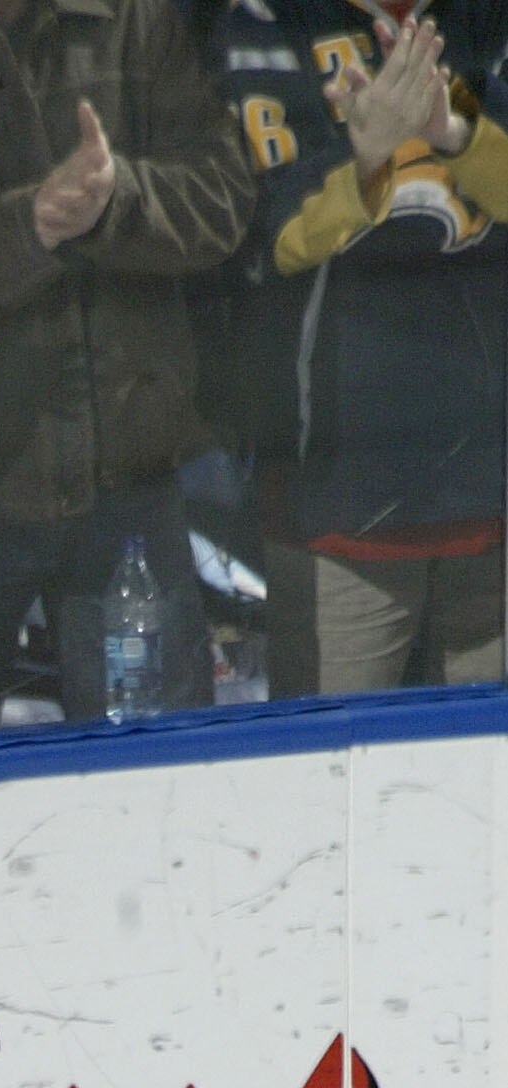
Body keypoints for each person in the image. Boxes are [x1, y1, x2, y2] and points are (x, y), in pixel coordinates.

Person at [0, 0, 255, 731]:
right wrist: (27, 227)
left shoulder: (133, 19)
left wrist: (115, 199)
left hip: (129, 487)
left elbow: (225, 197)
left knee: (159, 776)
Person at [215, 0, 508, 695]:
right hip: (338, 506)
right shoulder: (264, 21)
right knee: (326, 762)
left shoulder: (487, 19)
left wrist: (453, 130)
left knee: (482, 765)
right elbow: (269, 240)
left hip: (492, 502)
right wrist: (366, 158)